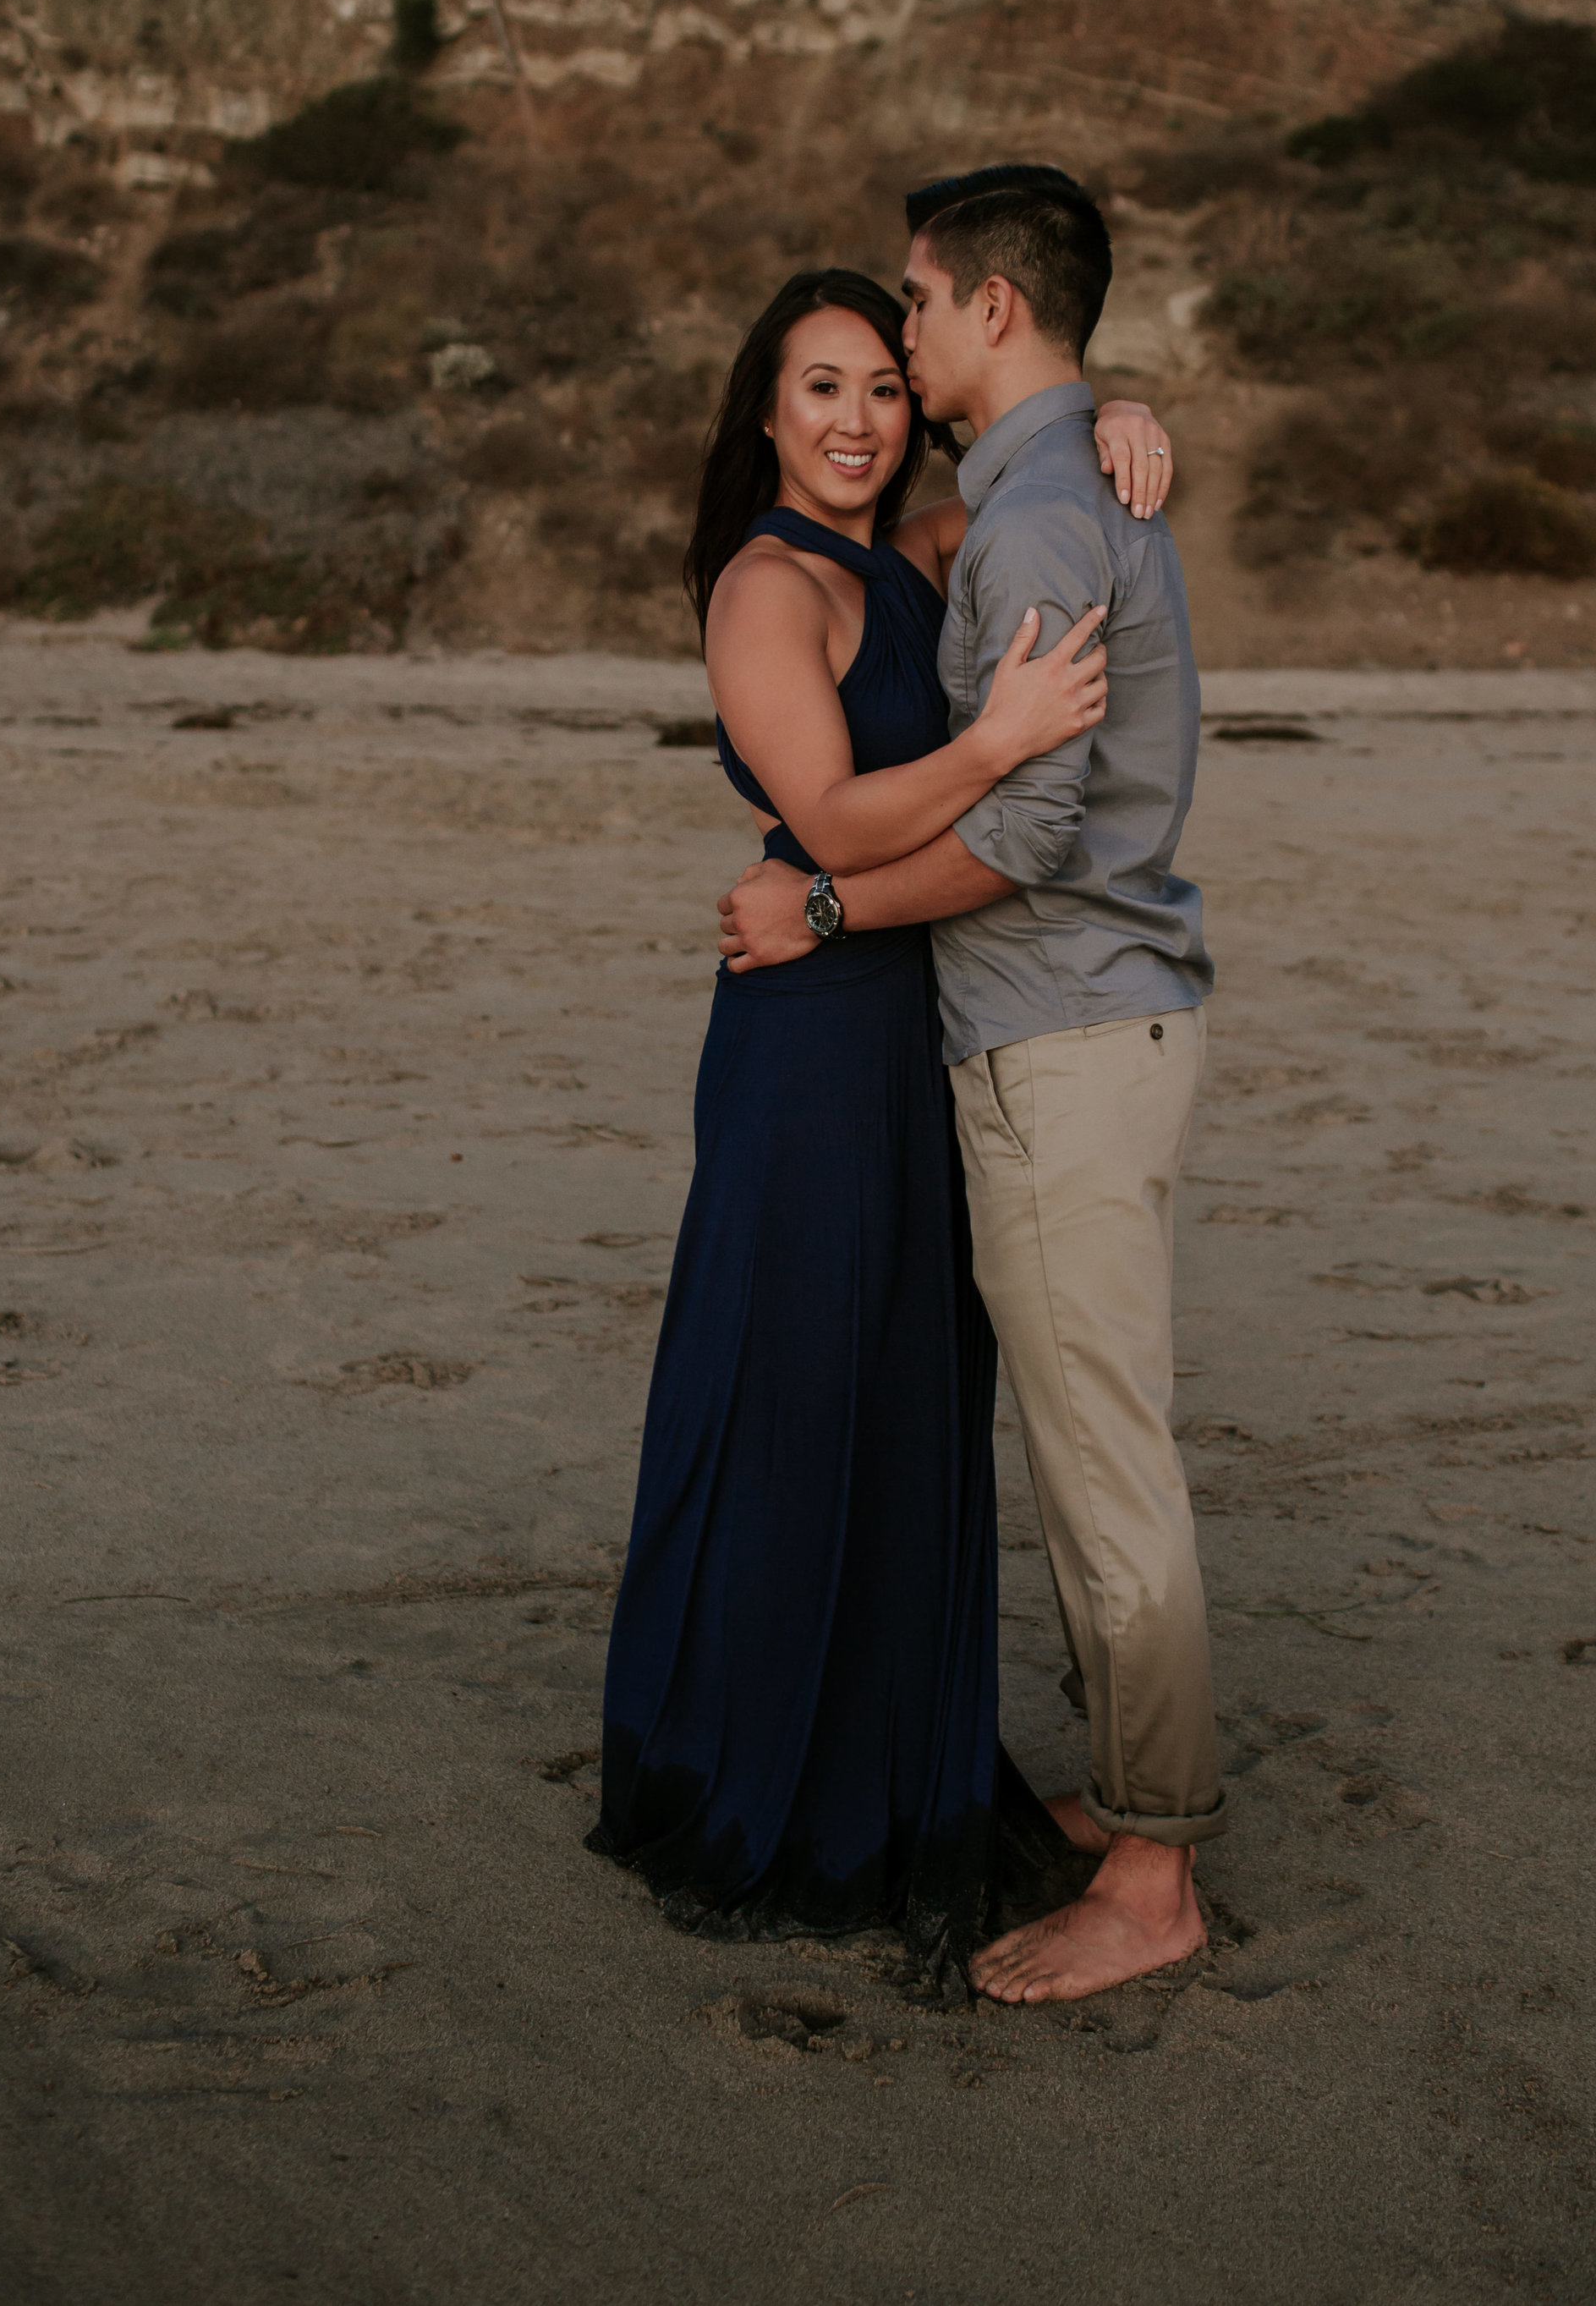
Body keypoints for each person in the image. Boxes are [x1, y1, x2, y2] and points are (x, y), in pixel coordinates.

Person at [586, 262, 1176, 1996]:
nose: (854, 420)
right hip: (812, 1046)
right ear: (761, 415)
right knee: (802, 1390)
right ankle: (780, 1789)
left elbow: (1034, 474)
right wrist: (996, 736)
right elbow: (831, 819)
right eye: (817, 389)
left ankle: (890, 1761)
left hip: (912, 1032)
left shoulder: (905, 554)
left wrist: (1127, 418)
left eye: (878, 388)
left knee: (906, 1398)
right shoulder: (766, 590)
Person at [721, 166, 1220, 2007]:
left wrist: (829, 898)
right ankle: (1125, 1801)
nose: (899, 345)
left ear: (988, 311)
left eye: (915, 312)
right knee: (1082, 1448)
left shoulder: (1026, 524)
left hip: (1058, 1028)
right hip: (1078, 1023)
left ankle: (1153, 1874)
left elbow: (1017, 833)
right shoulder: (1032, 488)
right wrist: (1117, 409)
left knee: (1103, 1472)